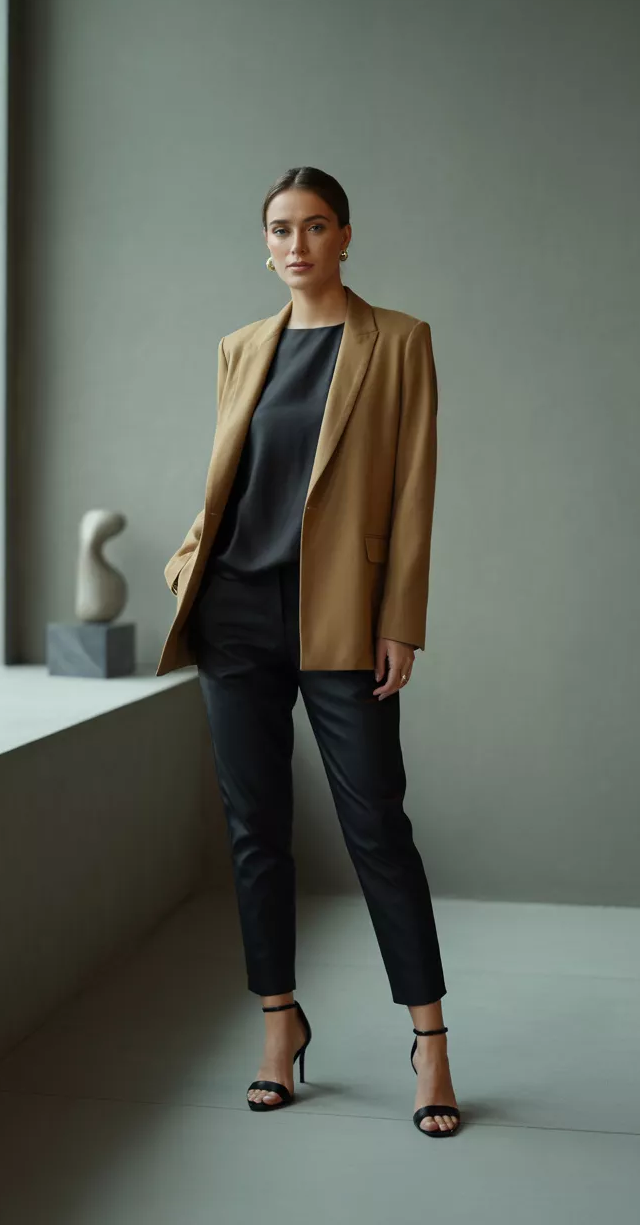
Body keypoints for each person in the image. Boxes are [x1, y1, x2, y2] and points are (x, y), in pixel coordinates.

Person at [160, 167, 460, 1138]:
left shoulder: (399, 342)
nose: (297, 245)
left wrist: (399, 619)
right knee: (256, 829)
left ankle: (431, 1045)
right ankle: (279, 1027)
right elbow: (227, 477)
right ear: (267, 244)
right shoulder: (240, 347)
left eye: (316, 227)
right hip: (238, 610)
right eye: (281, 229)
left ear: (344, 237)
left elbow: (413, 490)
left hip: (341, 611)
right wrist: (186, 561)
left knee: (376, 824)